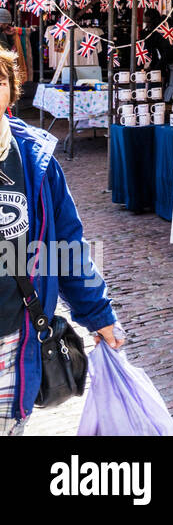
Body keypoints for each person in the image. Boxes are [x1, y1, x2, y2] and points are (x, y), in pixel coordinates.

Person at [0, 47, 122, 436]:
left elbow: (66, 247)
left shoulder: (35, 159)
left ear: (11, 91)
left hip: (12, 341)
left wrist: (98, 315)